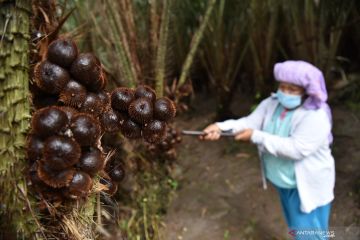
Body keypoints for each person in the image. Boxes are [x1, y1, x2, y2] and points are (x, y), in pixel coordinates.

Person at [201, 60, 335, 238]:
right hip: (285, 183)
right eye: (283, 87)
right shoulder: (272, 103)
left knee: (310, 233)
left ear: (307, 92)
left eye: (293, 90)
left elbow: (297, 149)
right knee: (298, 229)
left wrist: (256, 136)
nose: (285, 93)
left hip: (306, 187)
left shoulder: (315, 116)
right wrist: (220, 127)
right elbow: (249, 123)